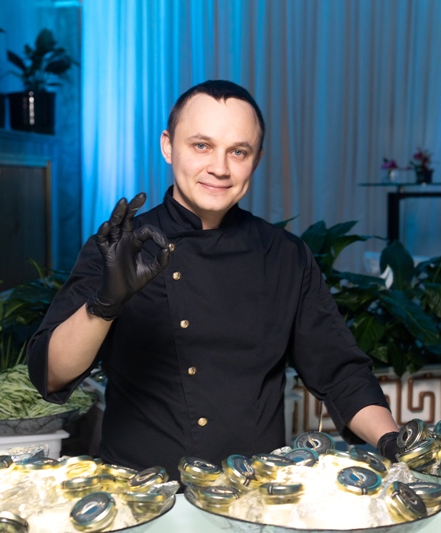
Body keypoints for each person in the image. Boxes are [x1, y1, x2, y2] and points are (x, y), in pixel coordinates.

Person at [27, 80, 399, 481]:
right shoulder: (122, 247)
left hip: (253, 492)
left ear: (256, 159)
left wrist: (394, 443)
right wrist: (104, 305)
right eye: (201, 146)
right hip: (143, 492)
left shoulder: (284, 255)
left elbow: (341, 373)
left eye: (238, 152)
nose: (220, 168)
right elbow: (51, 374)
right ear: (168, 146)